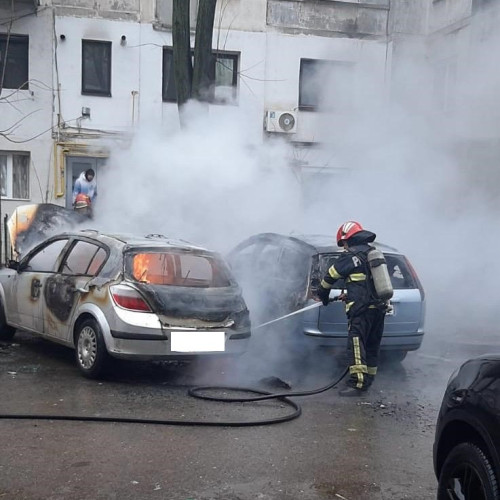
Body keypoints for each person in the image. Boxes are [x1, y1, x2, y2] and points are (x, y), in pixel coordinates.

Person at [315, 221, 388, 397]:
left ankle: (357, 383)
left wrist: (323, 295)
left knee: (356, 344)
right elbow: (366, 284)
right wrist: (350, 294)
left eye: (343, 243)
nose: (344, 247)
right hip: (378, 308)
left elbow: (329, 277)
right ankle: (368, 380)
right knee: (372, 345)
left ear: (348, 239)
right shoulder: (372, 253)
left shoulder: (350, 257)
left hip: (361, 311)